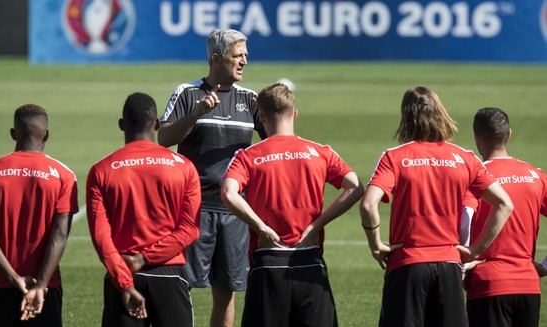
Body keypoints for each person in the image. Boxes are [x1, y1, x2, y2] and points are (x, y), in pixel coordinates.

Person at [359, 86, 513, 327]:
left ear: (406, 117)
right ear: (440, 113)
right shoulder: (464, 157)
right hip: (449, 266)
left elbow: (368, 204)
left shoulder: (394, 156)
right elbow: (505, 203)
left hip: (407, 264)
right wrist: (474, 249)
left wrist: (376, 245)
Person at [221, 83, 365, 326]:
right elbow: (356, 187)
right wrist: (317, 225)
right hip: (310, 261)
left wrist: (261, 227)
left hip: (267, 262)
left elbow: (228, 192)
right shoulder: (320, 152)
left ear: (262, 117)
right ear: (294, 114)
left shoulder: (248, 156)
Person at [157, 28, 265, 327]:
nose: (244, 61)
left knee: (227, 292)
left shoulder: (251, 100)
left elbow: (273, 142)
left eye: (246, 55)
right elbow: (163, 138)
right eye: (237, 56)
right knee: (181, 286)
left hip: (234, 211)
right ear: (216, 58)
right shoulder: (188, 93)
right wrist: (195, 115)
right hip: (194, 210)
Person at [86, 92, 201, 326]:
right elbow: (189, 230)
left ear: (121, 125)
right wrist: (144, 257)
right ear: (157, 124)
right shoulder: (185, 167)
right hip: (169, 275)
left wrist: (125, 283)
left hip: (123, 274)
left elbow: (101, 238)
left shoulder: (101, 171)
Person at [0, 104, 78, 326]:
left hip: (0, 286)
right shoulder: (63, 175)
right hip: (46, 287)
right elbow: (60, 235)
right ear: (46, 134)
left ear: (13, 133)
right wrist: (40, 285)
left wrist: (13, 278)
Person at [463, 107, 547, 327]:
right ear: (509, 134)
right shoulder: (535, 175)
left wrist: (462, 264)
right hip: (529, 285)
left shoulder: (473, 177)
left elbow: (464, 219)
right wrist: (546, 266)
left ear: (477, 139)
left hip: (487, 284)